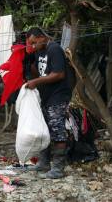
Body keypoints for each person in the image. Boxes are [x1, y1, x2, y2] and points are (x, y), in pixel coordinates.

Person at [25, 27, 73, 179]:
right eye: (30, 44)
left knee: (57, 131)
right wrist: (29, 64)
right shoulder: (39, 50)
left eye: (34, 43)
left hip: (58, 96)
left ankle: (58, 168)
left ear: (42, 37)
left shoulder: (54, 49)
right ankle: (44, 162)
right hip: (46, 96)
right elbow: (40, 72)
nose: (33, 46)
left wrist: (36, 81)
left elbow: (59, 74)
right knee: (43, 129)